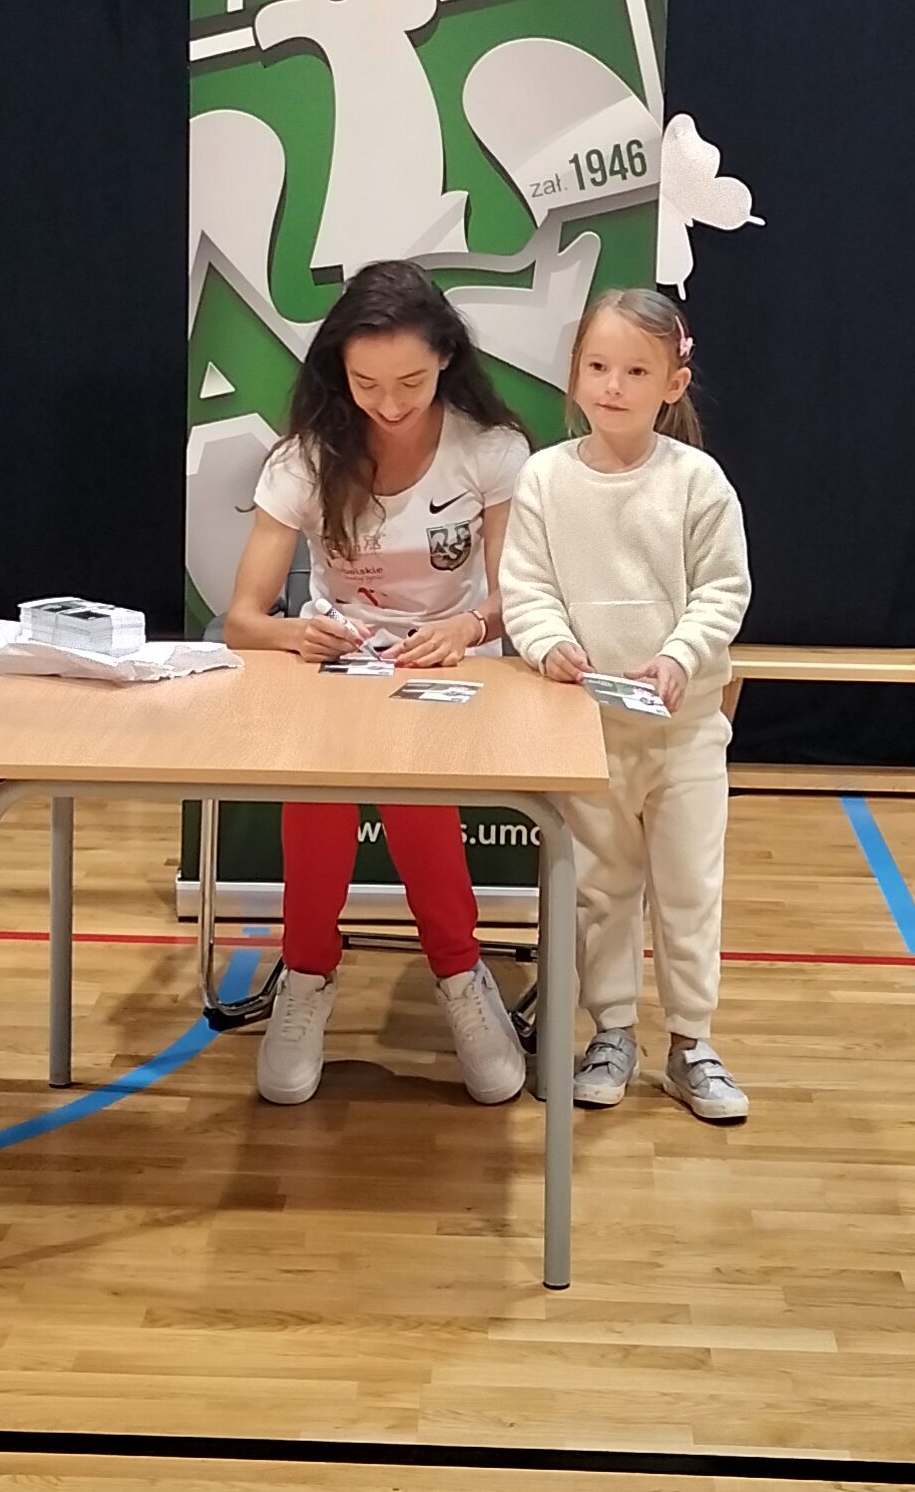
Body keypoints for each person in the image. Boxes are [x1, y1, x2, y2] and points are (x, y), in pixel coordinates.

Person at [216, 262, 535, 1108]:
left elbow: (516, 598)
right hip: (340, 666)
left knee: (413, 792)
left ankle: (461, 976)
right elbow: (244, 617)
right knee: (318, 793)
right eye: (366, 384)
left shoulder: (490, 451)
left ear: (446, 359)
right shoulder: (305, 458)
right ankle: (306, 975)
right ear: (339, 371)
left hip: (449, 664)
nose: (389, 404)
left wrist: (467, 628)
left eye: (411, 383)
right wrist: (296, 632)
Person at [496, 289, 753, 1124]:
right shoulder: (545, 477)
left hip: (685, 734)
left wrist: (678, 657)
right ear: (575, 375)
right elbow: (526, 586)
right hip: (589, 734)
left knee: (688, 888)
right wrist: (547, 644)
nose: (614, 385)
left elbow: (722, 591)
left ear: (673, 383)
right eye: (598, 366)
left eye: (636, 371)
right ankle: (612, 1033)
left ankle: (692, 1043)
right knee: (601, 891)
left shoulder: (697, 482)